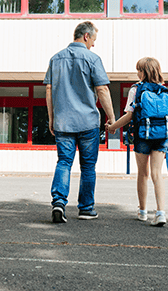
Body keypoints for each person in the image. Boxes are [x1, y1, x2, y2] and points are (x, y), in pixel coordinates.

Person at [44, 21, 115, 223]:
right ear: (86, 36)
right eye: (93, 39)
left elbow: (49, 90)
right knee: (88, 166)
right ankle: (86, 208)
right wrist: (111, 118)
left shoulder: (55, 59)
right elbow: (102, 90)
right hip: (87, 123)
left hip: (63, 122)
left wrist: (52, 118)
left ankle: (58, 203)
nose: (93, 44)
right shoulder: (93, 58)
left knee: (64, 162)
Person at [107, 57, 168, 227]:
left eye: (138, 70)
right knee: (157, 174)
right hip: (162, 136)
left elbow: (129, 115)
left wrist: (112, 127)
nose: (137, 72)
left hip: (143, 135)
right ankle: (161, 212)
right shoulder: (164, 90)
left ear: (143, 72)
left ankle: (143, 211)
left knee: (143, 173)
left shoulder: (136, 89)